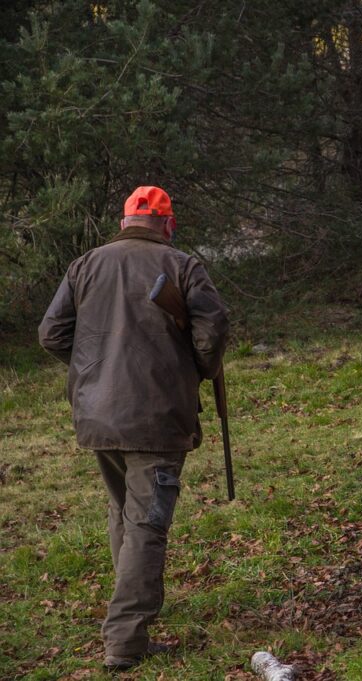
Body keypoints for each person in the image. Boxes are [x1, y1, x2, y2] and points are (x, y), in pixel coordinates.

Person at [38, 186, 229, 670]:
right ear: (169, 224)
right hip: (156, 417)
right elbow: (213, 330)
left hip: (97, 415)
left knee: (124, 510)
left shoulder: (85, 264)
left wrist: (92, 370)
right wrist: (198, 370)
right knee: (147, 524)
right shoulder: (185, 266)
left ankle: (130, 612)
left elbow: (51, 334)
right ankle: (125, 640)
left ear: (125, 222)